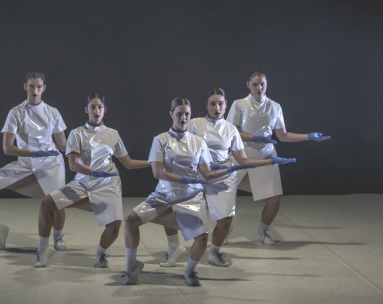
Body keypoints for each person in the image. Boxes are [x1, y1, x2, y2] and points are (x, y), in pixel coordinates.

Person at [122, 97, 256, 287]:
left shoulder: (198, 142)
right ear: (171, 115)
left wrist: (229, 170)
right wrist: (183, 179)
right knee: (129, 220)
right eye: (179, 114)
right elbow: (157, 172)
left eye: (186, 114)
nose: (183, 118)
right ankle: (131, 267)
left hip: (191, 197)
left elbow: (207, 173)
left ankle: (190, 272)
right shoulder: (160, 139)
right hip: (163, 195)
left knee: (202, 238)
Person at [160, 88, 295, 268]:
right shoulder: (194, 124)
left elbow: (243, 159)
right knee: (173, 211)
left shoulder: (231, 129)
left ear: (225, 106)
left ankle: (214, 252)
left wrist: (270, 161)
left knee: (225, 221)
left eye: (221, 104)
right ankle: (174, 247)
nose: (217, 107)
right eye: (213, 104)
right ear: (206, 106)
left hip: (223, 177)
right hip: (197, 175)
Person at [35, 93, 150, 268]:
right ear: (86, 110)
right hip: (82, 183)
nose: (96, 111)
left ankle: (100, 254)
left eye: (100, 107)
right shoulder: (76, 133)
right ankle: (42, 251)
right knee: (46, 203)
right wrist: (93, 173)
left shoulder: (113, 134)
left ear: (105, 110)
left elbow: (128, 163)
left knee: (114, 226)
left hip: (108, 184)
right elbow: (73, 166)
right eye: (92, 107)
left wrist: (152, 163)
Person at [226, 70, 330, 245]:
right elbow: (231, 133)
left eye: (263, 84)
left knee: (274, 199)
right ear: (248, 85)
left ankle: (262, 232)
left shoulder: (275, 106)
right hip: (241, 153)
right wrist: (252, 138)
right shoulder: (239, 104)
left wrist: (308, 137)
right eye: (255, 85)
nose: (259, 88)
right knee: (226, 193)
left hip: (266, 154)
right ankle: (224, 229)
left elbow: (282, 135)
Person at [0, 71, 68, 251]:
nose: (35, 90)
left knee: (57, 201)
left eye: (39, 87)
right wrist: (34, 154)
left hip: (51, 163)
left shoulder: (53, 112)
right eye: (32, 86)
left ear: (44, 89)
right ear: (25, 87)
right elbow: (7, 148)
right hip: (25, 164)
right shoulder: (15, 112)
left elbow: (64, 146)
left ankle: (58, 237)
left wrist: (84, 153)